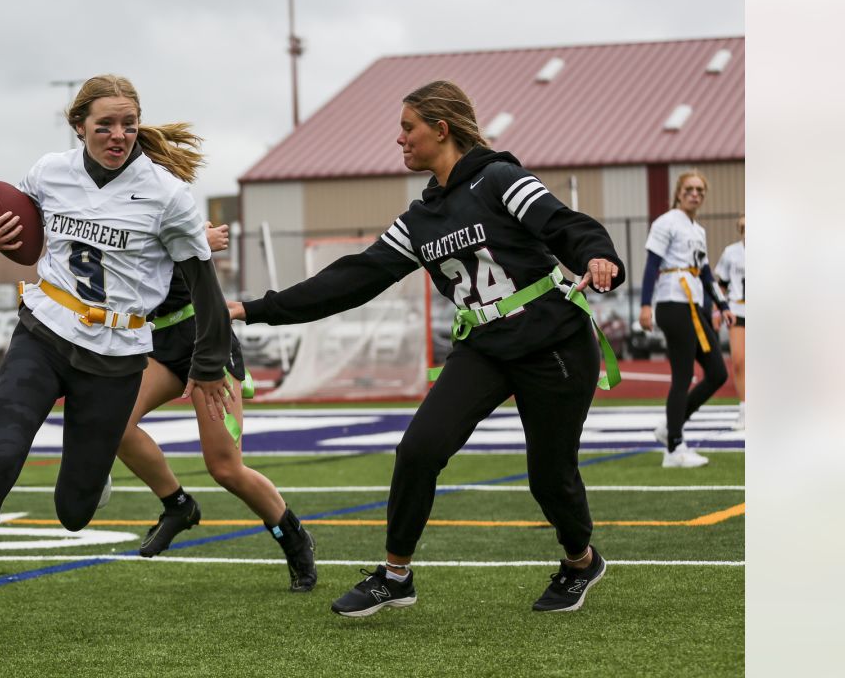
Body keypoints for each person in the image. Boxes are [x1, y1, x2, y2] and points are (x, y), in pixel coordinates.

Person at [229, 80, 625, 616]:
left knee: (549, 476)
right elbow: (353, 277)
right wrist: (256, 309)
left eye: (408, 127)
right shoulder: (421, 219)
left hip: (552, 339)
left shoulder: (500, 178)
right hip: (483, 345)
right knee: (418, 450)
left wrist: (599, 255)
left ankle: (581, 561)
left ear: (441, 130)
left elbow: (563, 224)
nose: (399, 139)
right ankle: (395, 576)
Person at [0, 74, 234, 647]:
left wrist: (206, 367)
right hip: (44, 333)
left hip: (117, 354)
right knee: (3, 457)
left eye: (128, 123)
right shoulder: (49, 172)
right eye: (104, 123)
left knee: (74, 511)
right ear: (78, 126)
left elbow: (205, 291)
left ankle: (93, 467)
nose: (118, 134)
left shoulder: (166, 195)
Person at [116, 221, 317, 592]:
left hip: (204, 335)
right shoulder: (109, 206)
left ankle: (292, 537)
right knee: (115, 422)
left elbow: (191, 247)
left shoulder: (168, 201)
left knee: (225, 468)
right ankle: (178, 505)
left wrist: (196, 242)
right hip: (158, 340)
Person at [639, 172, 735, 468]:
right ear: (679, 193)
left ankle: (671, 427)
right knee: (682, 376)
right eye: (689, 189)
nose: (695, 194)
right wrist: (645, 305)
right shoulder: (666, 222)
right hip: (673, 302)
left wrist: (722, 304)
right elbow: (652, 264)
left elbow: (705, 273)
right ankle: (674, 449)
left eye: (700, 190)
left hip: (694, 305)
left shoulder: (698, 229)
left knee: (718, 373)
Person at [713, 214, 745, 430]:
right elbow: (721, 284)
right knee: (739, 360)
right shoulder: (731, 252)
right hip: (738, 309)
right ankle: (745, 409)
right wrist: (717, 310)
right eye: (743, 226)